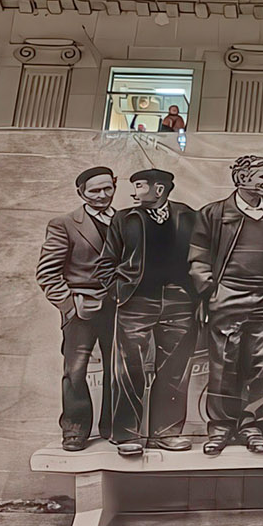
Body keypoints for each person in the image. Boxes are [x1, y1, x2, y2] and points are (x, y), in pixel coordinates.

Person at [190, 153, 263, 455]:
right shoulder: (214, 213)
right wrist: (211, 291)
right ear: (242, 179)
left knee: (261, 364)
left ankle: (250, 425)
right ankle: (221, 427)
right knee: (223, 364)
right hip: (228, 295)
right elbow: (198, 258)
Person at [102, 166, 201, 456]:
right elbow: (107, 262)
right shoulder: (124, 218)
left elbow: (203, 258)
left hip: (180, 302)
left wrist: (195, 294)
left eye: (139, 186)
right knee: (128, 369)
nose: (133, 192)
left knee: (175, 370)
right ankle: (127, 435)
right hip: (135, 301)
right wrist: (118, 291)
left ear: (159, 189)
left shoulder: (190, 216)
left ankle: (167, 433)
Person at [36, 164, 117, 451]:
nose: (102, 195)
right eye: (94, 190)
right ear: (81, 192)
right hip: (81, 308)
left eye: (108, 188)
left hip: (120, 308)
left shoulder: (126, 221)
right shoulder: (65, 224)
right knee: (76, 371)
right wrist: (69, 306)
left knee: (118, 369)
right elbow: (47, 273)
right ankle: (75, 429)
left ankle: (114, 427)